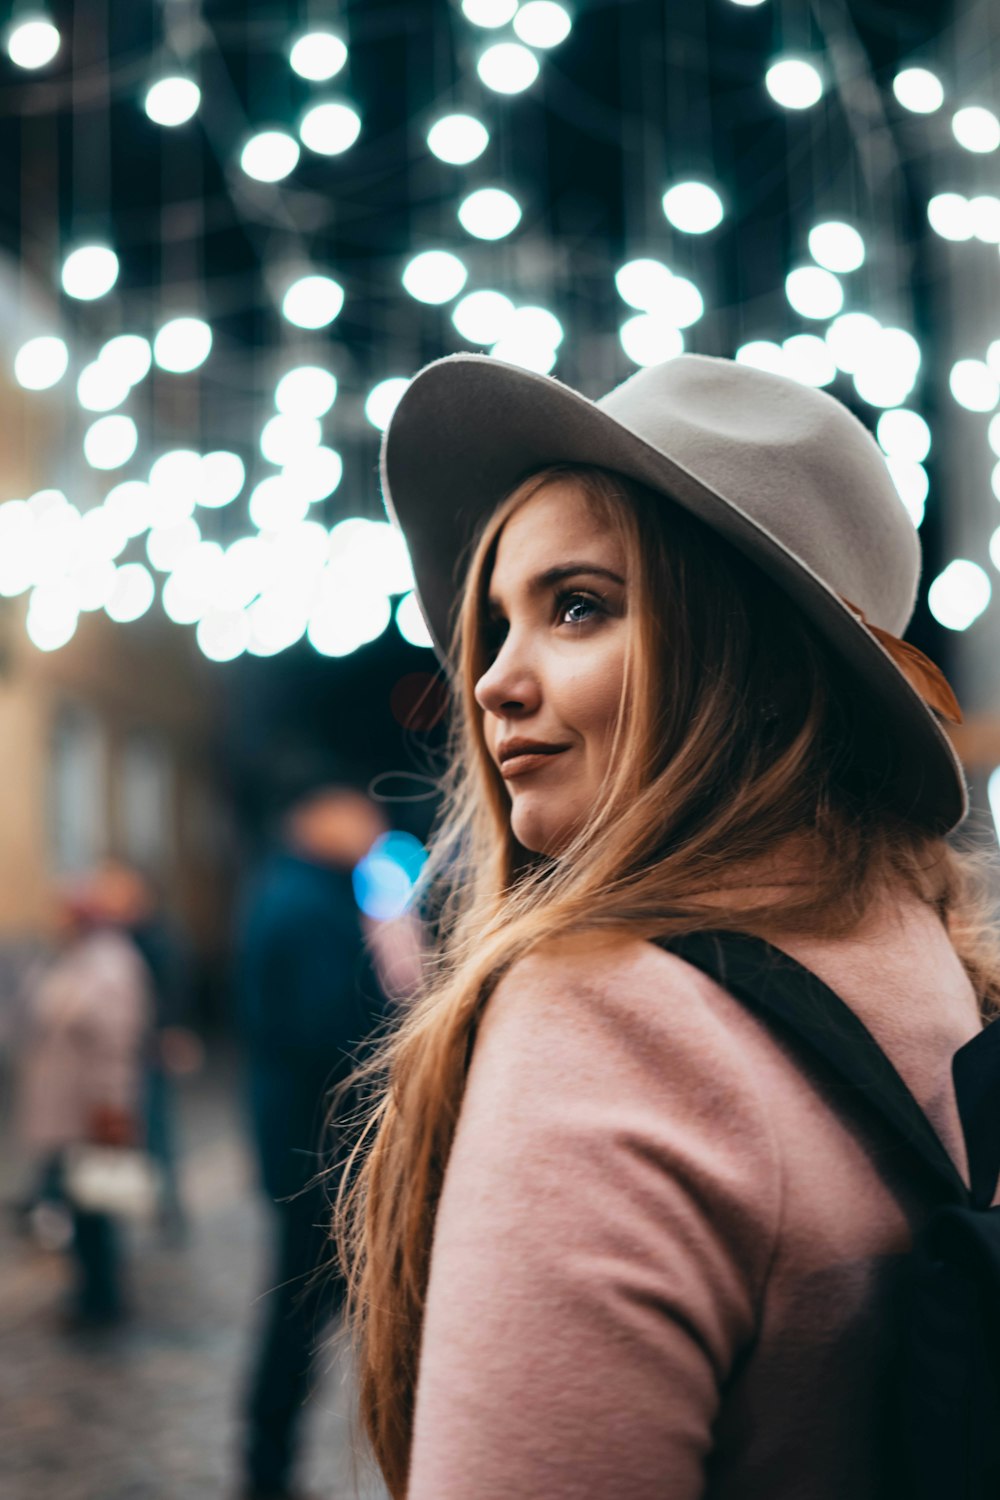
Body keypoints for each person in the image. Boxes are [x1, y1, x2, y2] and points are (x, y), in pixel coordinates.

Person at [337, 352, 1000, 1500]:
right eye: (497, 623)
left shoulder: (607, 1015)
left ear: (756, 663)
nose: (491, 679)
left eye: (577, 606)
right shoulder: (932, 958)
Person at [236, 783, 420, 1500]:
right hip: (321, 1157)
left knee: (307, 1323)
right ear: (313, 813)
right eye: (358, 810)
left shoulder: (300, 890)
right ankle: (266, 1472)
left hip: (309, 1150)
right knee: (304, 1325)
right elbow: (334, 1038)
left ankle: (267, 1470)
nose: (371, 826)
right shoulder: (306, 903)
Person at [17, 877, 154, 1328]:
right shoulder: (65, 959)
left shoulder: (112, 962)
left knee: (96, 1207)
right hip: (61, 1106)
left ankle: (102, 1298)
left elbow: (116, 1043)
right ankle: (90, 1292)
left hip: (89, 1109)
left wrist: (112, 1107)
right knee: (76, 1207)